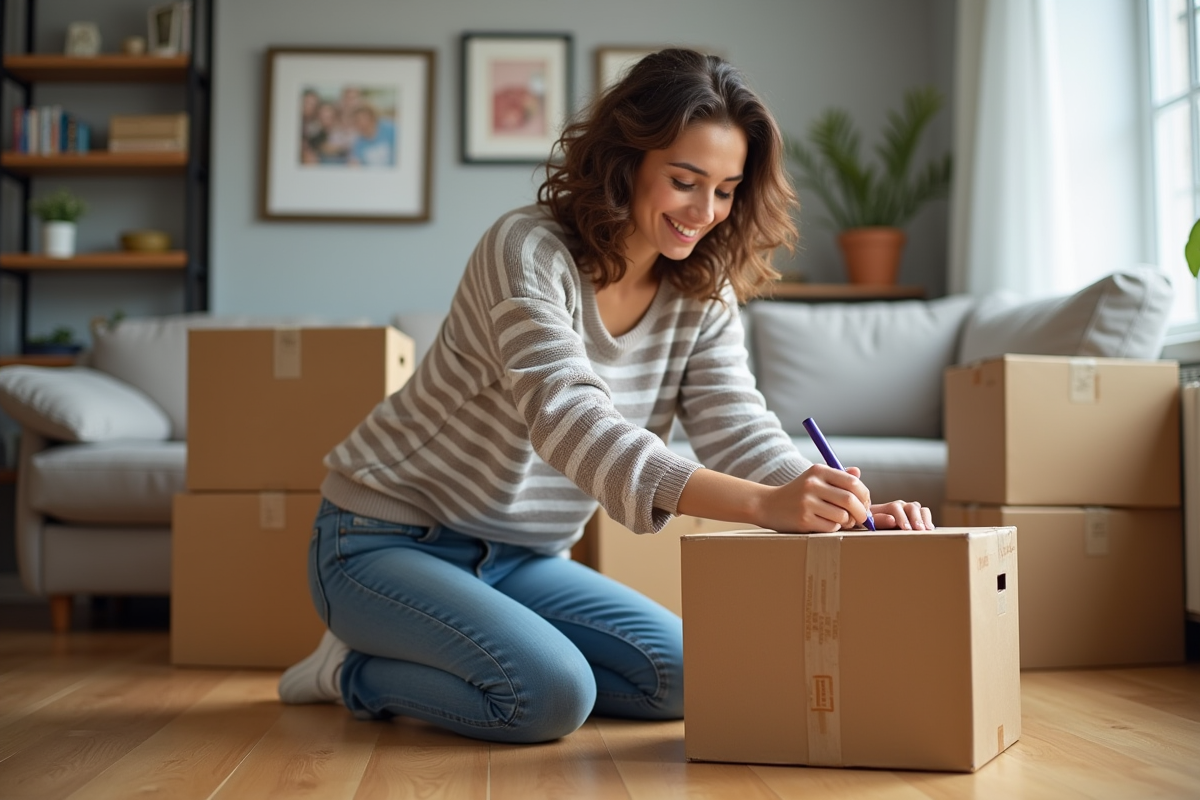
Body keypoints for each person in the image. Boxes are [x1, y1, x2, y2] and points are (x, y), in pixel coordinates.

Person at [278, 48, 933, 744]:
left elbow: (738, 427)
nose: (704, 211)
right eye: (685, 181)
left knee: (681, 676)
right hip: (381, 540)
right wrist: (762, 507)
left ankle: (456, 639)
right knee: (550, 695)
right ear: (627, 162)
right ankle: (350, 672)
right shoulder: (526, 251)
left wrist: (828, 501)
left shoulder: (700, 293)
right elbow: (571, 421)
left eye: (725, 189)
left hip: (523, 559)